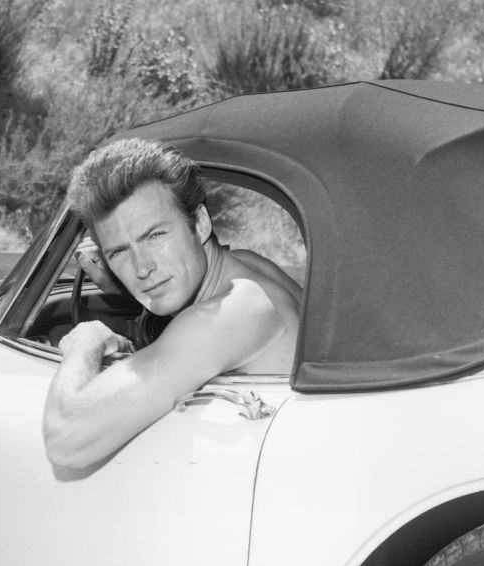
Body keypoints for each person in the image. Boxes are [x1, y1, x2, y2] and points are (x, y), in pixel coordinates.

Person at [42, 138, 300, 469]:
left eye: (155, 236)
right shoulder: (249, 266)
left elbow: (66, 441)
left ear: (201, 223)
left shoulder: (231, 315)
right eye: (119, 252)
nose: (142, 268)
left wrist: (84, 343)